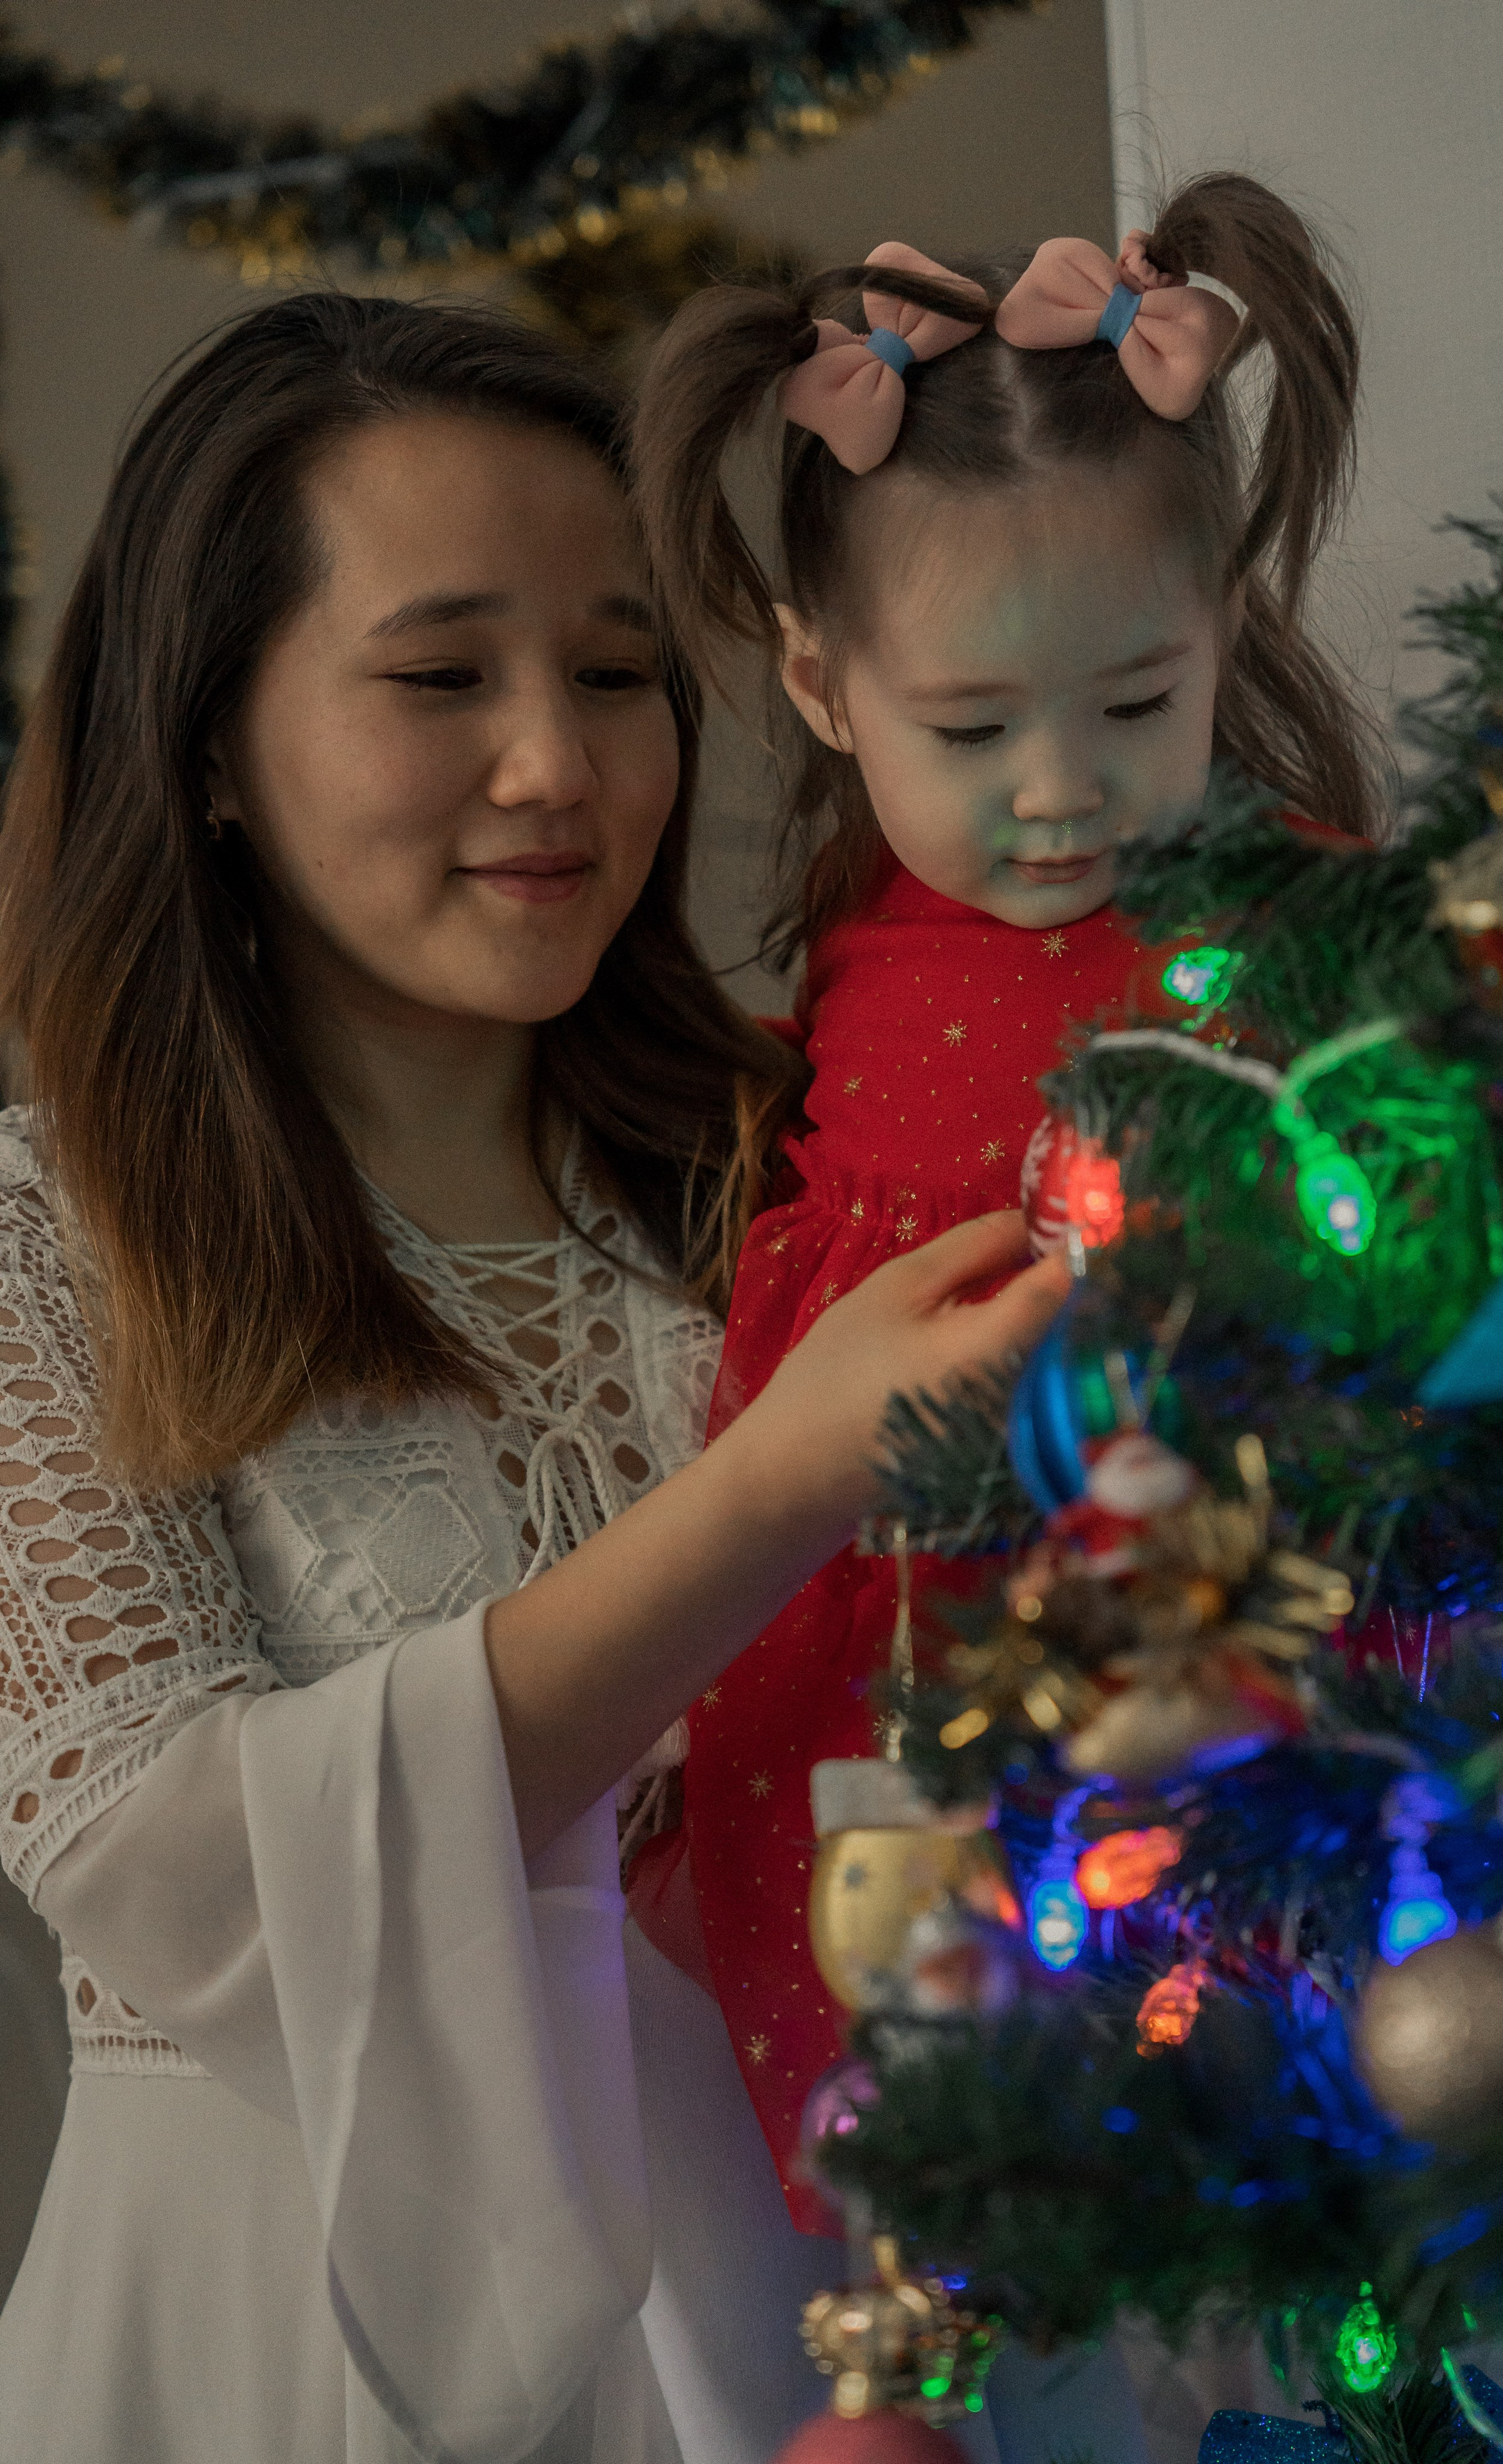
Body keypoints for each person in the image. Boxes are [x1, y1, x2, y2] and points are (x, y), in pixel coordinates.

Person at [0, 292, 1074, 2464]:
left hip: (839, 2298)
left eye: (613, 673)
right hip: (293, 2334)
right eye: (437, 675)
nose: (556, 766)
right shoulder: (49, 1236)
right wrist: (775, 1486)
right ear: (210, 737)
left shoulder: (799, 1162)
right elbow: (169, 1856)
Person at [630, 173, 1380, 2229]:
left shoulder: (1303, 926)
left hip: (1258, 1599)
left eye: (1137, 703)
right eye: (971, 726)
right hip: (920, 1659)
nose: (1061, 788)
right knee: (998, 2207)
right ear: (816, 681)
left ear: (1224, 629)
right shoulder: (855, 956)